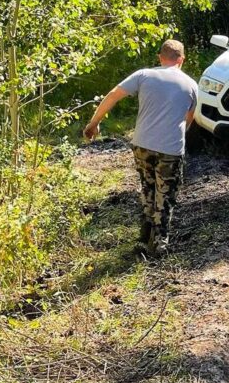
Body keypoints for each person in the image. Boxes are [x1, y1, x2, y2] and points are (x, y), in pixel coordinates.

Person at [84, 39, 198, 256]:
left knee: (148, 187)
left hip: (142, 144)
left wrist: (94, 123)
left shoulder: (144, 75)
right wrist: (178, 136)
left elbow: (114, 94)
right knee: (166, 194)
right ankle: (160, 242)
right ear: (181, 60)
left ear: (160, 58)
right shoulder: (191, 84)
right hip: (171, 149)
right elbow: (189, 118)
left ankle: (144, 237)